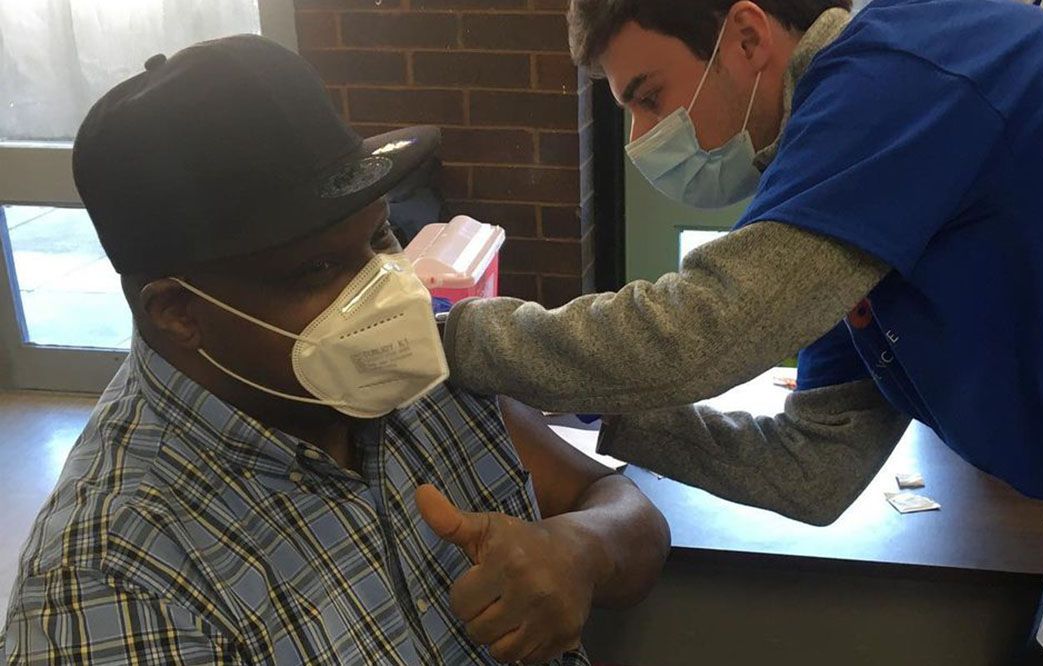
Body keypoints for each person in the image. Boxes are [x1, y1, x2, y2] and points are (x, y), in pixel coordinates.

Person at [441, 0, 1043, 662]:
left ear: (745, 37)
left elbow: (704, 332)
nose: (641, 139)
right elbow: (815, 466)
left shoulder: (897, 78)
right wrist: (603, 409)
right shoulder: (849, 188)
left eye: (648, 97)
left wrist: (450, 338)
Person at [1, 35, 669, 666]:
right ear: (179, 312)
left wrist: (581, 551)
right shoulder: (112, 587)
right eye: (316, 272)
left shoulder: (411, 371)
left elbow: (615, 501)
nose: (386, 298)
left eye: (380, 240)